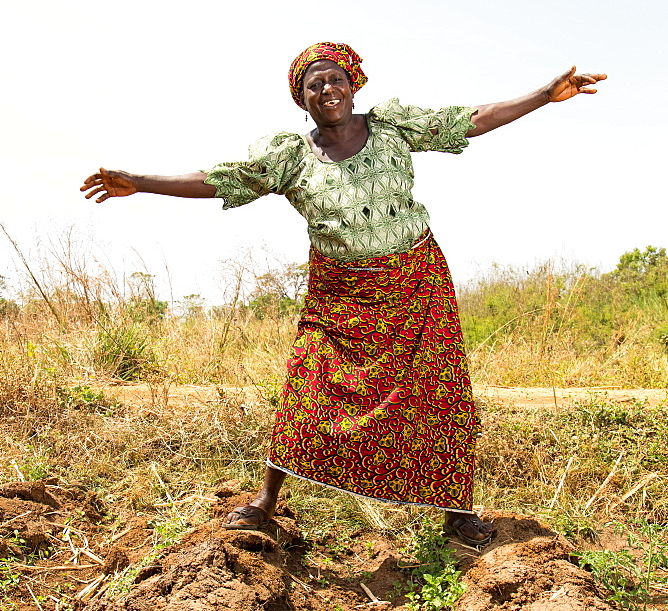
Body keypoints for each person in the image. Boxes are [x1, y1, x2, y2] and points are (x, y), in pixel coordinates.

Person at [82, 42, 605, 547]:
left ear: (354, 85)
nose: (326, 89)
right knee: (307, 389)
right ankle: (266, 500)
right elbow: (222, 179)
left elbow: (470, 118)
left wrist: (543, 94)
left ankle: (457, 512)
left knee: (436, 394)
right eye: (314, 85)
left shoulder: (392, 127)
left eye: (335, 79)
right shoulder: (290, 156)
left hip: (415, 284)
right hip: (339, 295)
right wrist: (143, 181)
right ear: (301, 99)